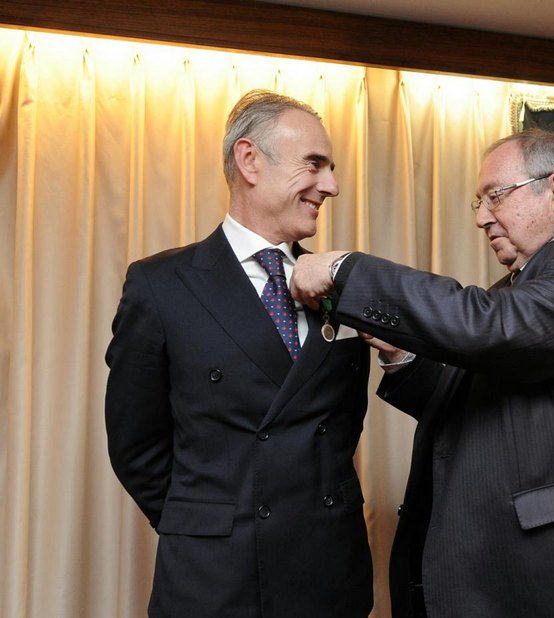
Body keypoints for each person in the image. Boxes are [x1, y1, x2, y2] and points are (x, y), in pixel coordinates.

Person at [291, 128, 554, 617]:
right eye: (477, 203)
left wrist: (346, 269)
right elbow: (477, 404)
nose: (481, 218)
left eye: (494, 197)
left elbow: (496, 332)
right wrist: (401, 355)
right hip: (517, 572)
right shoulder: (516, 289)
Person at [105, 90, 373, 618]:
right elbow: (135, 444)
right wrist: (209, 521)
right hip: (215, 582)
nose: (332, 186)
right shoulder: (161, 284)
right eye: (314, 165)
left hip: (329, 576)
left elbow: (342, 428)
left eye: (332, 168)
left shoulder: (340, 285)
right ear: (249, 160)